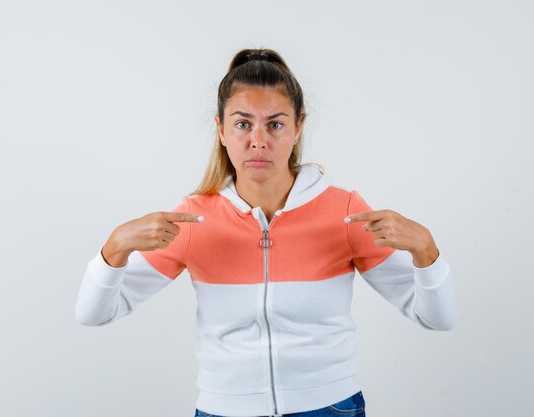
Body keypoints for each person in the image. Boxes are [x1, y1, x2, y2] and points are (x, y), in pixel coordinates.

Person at [75, 48, 457, 417]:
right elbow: (94, 314)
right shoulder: (194, 218)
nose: (258, 140)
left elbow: (435, 318)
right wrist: (116, 247)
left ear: (298, 127)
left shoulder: (343, 211)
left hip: (329, 407)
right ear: (221, 129)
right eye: (243, 123)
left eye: (275, 124)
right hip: (225, 410)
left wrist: (425, 249)